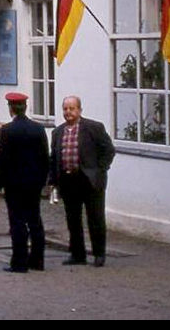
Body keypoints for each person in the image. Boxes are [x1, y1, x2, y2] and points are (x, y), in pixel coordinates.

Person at [48, 95, 116, 267]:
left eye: (72, 108)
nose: (68, 112)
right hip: (68, 180)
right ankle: (77, 254)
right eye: (65, 109)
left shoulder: (93, 128)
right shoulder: (57, 132)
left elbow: (108, 150)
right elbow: (54, 157)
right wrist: (53, 181)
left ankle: (99, 254)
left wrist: (100, 171)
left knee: (96, 218)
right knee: (73, 219)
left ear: (79, 110)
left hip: (89, 180)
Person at [0, 92, 49, 273]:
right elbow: (44, 158)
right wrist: (43, 180)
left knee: (17, 222)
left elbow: (2, 160)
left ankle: (19, 262)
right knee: (35, 221)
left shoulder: (7, 130)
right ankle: (38, 260)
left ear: (11, 109)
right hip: (34, 183)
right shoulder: (38, 129)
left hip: (14, 183)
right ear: (25, 107)